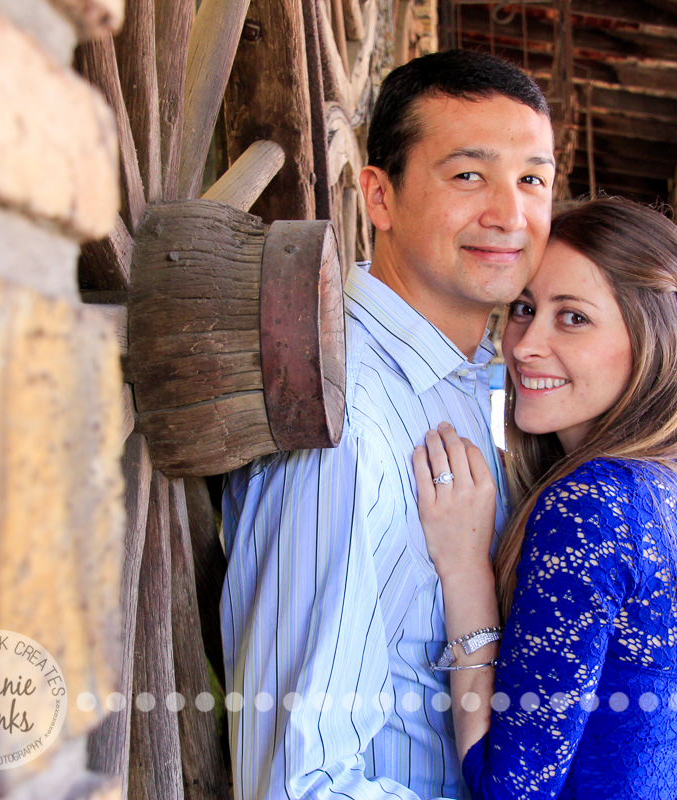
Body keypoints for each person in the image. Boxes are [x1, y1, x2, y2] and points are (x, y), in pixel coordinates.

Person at [221, 49, 556, 800]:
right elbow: (294, 783)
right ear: (379, 197)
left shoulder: (464, 386)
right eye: (469, 174)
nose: (510, 213)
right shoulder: (345, 424)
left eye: (532, 179)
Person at [412, 198, 677, 800]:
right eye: (525, 309)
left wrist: (463, 568)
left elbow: (512, 790)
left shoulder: (594, 507)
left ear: (656, 342)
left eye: (573, 317)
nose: (524, 345)